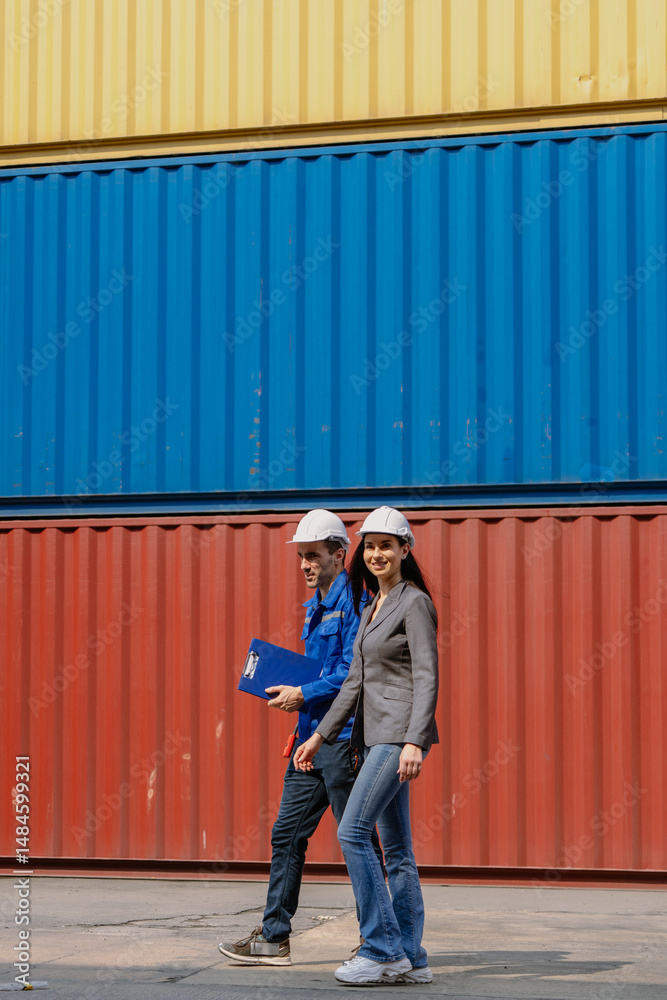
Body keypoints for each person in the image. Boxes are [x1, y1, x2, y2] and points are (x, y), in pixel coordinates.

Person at [218, 509, 382, 967]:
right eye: (302, 556)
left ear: (339, 554)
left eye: (314, 555)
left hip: (345, 739)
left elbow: (353, 675)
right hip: (310, 739)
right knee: (286, 834)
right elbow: (317, 672)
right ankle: (274, 938)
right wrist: (300, 720)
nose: (306, 564)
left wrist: (302, 693)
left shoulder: (358, 602)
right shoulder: (315, 606)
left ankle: (380, 940)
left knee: (359, 842)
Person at [294, 506, 438, 987]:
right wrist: (317, 736)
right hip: (374, 734)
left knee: (352, 832)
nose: (376, 554)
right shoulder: (373, 605)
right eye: (370, 546)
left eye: (386, 546)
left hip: (397, 736)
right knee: (397, 849)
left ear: (404, 550)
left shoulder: (413, 602)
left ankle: (381, 948)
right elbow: (354, 682)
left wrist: (416, 740)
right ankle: (411, 956)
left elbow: (427, 675)